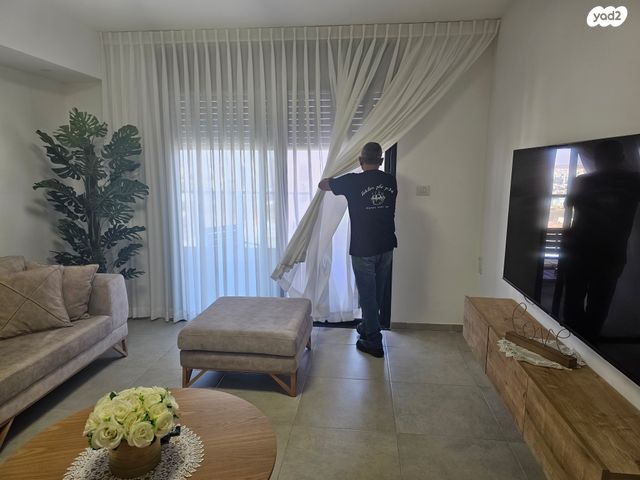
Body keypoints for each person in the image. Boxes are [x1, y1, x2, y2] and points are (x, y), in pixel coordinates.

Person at [318, 142, 398, 357]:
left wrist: (336, 172)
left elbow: (322, 185)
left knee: (367, 295)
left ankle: (374, 341)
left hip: (364, 248)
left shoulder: (352, 182)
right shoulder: (390, 180)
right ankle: (369, 325)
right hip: (386, 245)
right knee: (377, 292)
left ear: (361, 161)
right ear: (381, 161)